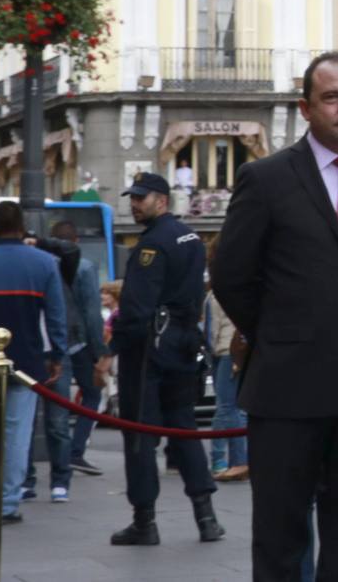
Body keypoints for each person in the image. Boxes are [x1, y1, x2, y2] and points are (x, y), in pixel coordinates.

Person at [212, 51, 338, 581]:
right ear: (306, 108)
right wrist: (282, 336)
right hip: (286, 393)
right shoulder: (267, 178)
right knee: (280, 537)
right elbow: (232, 276)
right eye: (332, 98)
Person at [110, 171, 223, 546]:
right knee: (183, 429)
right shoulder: (190, 238)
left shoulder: (152, 245)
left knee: (141, 435)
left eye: (141, 198)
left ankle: (145, 521)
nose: (134, 204)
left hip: (148, 348)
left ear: (161, 200)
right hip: (184, 341)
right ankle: (206, 518)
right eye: (133, 197)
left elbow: (137, 309)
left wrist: (110, 350)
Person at [0, 200, 67, 524]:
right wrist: (57, 355)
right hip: (25, 361)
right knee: (17, 435)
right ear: (21, 227)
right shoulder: (44, 262)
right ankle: (6, 503)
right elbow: (56, 316)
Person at [48, 219, 111, 480]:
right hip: (81, 343)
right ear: (76, 242)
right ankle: (75, 452)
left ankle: (61, 462)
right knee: (93, 395)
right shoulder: (85, 268)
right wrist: (101, 352)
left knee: (57, 407)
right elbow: (92, 313)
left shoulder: (45, 267)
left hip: (55, 345)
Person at [203, 238, 249, 482]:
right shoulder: (244, 283)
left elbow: (212, 331)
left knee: (225, 408)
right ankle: (241, 459)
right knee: (238, 411)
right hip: (241, 351)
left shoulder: (217, 291)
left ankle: (225, 460)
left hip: (225, 353)